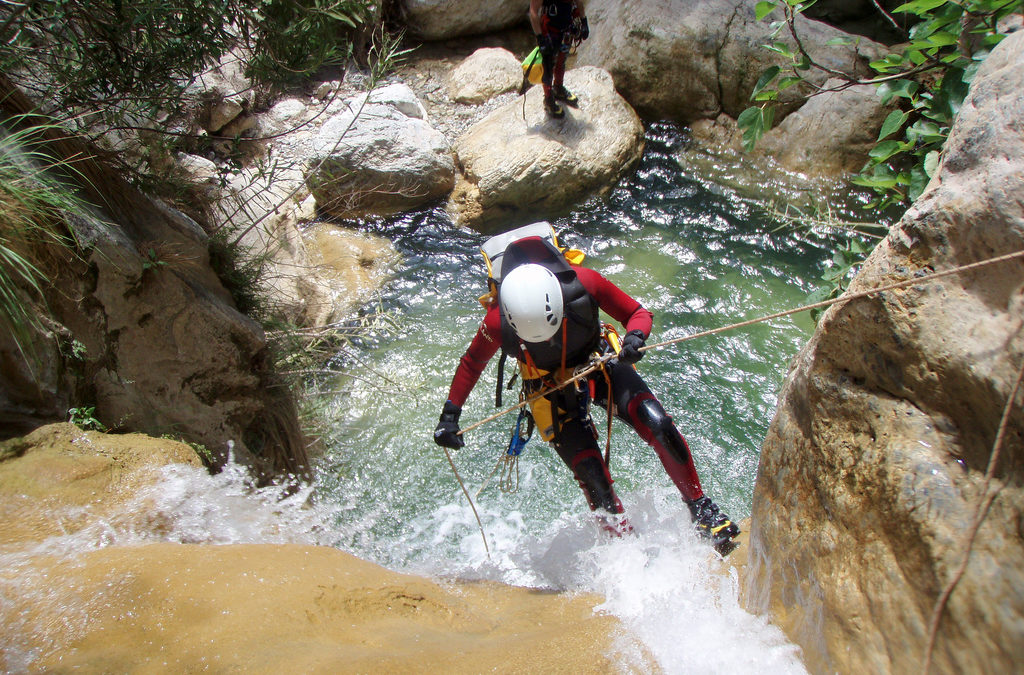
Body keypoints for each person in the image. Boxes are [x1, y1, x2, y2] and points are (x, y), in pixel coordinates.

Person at [433, 224, 740, 551]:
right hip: (549, 388)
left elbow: (636, 313)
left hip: (599, 363)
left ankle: (701, 509)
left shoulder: (585, 283)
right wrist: (450, 415)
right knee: (592, 474)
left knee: (658, 425)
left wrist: (636, 336)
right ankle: (625, 551)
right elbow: (472, 362)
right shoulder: (497, 321)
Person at [529, 0, 589, 118]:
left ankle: (558, 88)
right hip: (550, 32)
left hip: (566, 29)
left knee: (561, 61)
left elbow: (579, 2)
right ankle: (548, 99)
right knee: (548, 67)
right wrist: (540, 38)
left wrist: (584, 21)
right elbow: (533, 12)